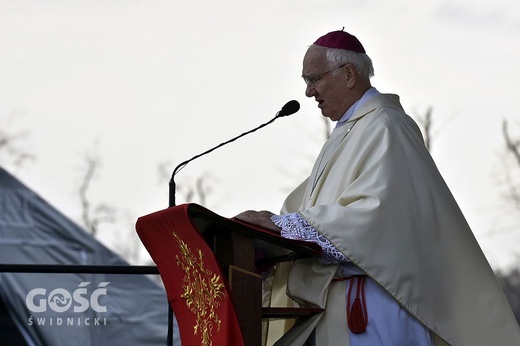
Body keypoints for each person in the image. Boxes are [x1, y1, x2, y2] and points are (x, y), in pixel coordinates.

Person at [235, 29, 520, 346]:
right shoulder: (348, 133)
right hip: (337, 306)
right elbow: (311, 209)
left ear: (347, 75)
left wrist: (283, 227)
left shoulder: (387, 126)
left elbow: (377, 218)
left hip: (375, 307)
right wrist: (271, 230)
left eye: (314, 79)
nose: (308, 92)